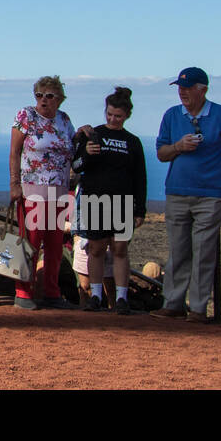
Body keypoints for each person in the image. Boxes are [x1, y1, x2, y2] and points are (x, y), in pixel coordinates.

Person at [152, 67, 221, 322]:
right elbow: (161, 153)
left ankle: (199, 309)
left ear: (202, 90)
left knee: (203, 252)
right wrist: (179, 147)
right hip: (178, 192)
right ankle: (173, 304)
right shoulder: (171, 116)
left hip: (211, 195)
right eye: (180, 87)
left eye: (188, 87)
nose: (182, 91)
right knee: (178, 251)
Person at [73, 86, 146, 314]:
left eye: (118, 116)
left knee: (120, 248)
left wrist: (139, 209)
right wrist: (87, 154)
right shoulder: (92, 134)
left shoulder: (132, 142)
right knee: (95, 248)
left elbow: (140, 176)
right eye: (110, 114)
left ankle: (122, 298)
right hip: (94, 199)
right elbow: (75, 166)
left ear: (127, 116)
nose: (113, 119)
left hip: (123, 201)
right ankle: (95, 296)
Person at [9, 76, 79, 309]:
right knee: (30, 242)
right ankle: (23, 292)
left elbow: (73, 149)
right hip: (32, 190)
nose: (43, 100)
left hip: (58, 191)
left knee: (55, 245)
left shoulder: (64, 120)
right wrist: (14, 184)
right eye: (39, 95)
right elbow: (15, 152)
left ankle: (52, 292)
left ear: (59, 99)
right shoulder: (26, 116)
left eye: (49, 95)